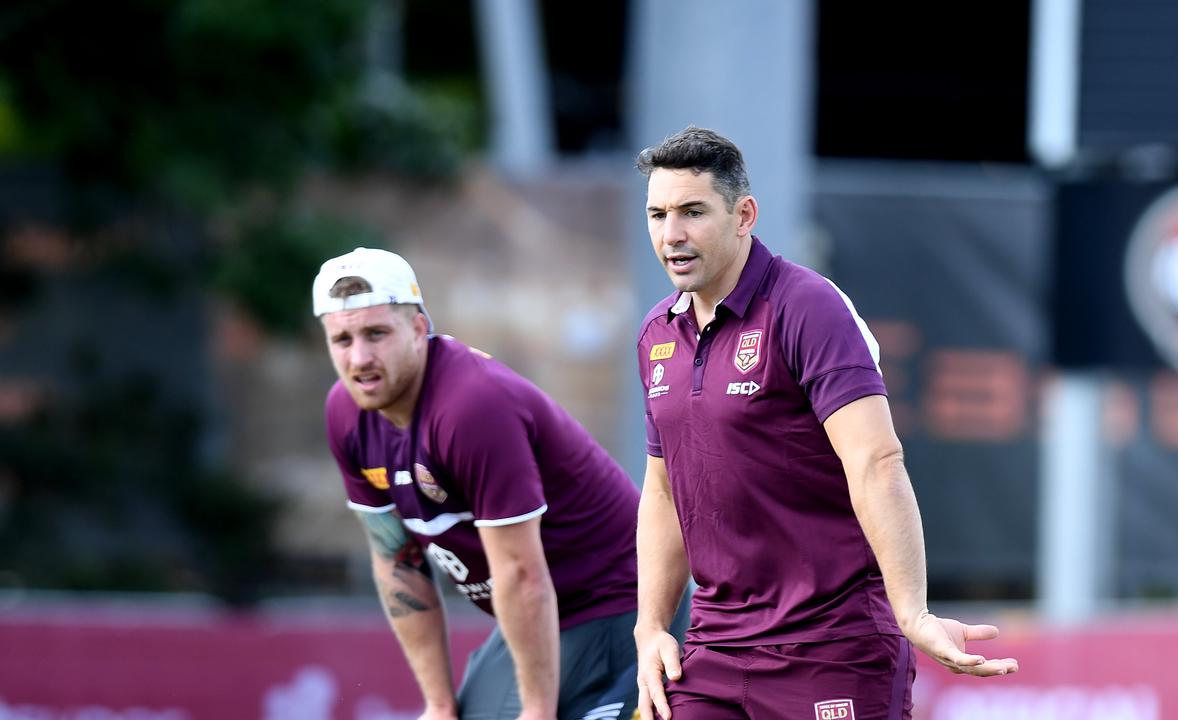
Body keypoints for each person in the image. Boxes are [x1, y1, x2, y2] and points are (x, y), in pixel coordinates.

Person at [632, 127, 1019, 720]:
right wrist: (652, 625)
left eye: (692, 212)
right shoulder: (658, 332)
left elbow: (876, 461)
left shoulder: (807, 307)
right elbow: (663, 488)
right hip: (712, 652)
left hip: (833, 646)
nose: (671, 235)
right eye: (658, 214)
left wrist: (912, 611)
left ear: (744, 216)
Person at [313, 247, 641, 720]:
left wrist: (537, 711)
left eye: (376, 333)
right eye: (342, 339)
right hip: (533, 617)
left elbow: (521, 576)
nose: (359, 358)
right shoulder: (345, 412)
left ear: (419, 329)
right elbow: (396, 562)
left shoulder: (470, 407)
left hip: (616, 602)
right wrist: (439, 703)